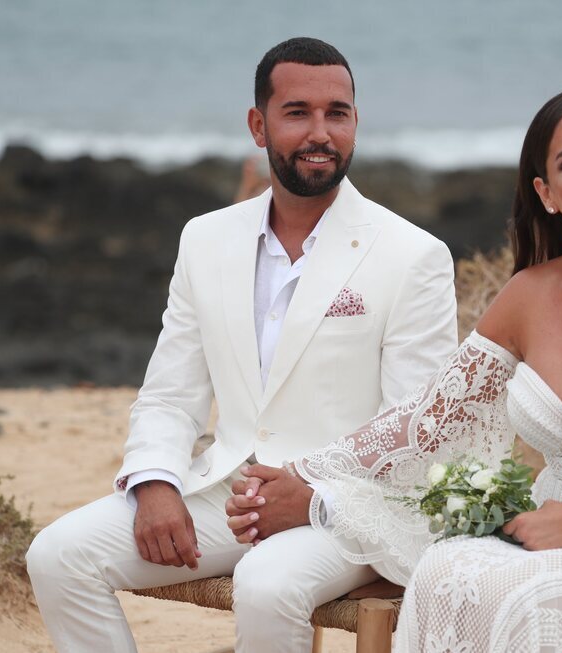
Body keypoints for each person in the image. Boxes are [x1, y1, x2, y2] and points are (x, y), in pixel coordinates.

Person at [225, 86, 562, 651]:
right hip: (539, 529)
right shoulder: (529, 294)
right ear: (546, 192)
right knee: (442, 572)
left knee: (517, 596)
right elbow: (430, 421)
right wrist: (305, 476)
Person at [24, 37, 459, 652]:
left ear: (356, 121)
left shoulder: (412, 255)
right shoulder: (205, 239)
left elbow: (414, 429)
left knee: (263, 584)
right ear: (258, 125)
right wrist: (154, 482)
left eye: (337, 113)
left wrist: (314, 495)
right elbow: (171, 391)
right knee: (57, 556)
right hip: (228, 492)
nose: (321, 132)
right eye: (297, 112)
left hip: (354, 507)